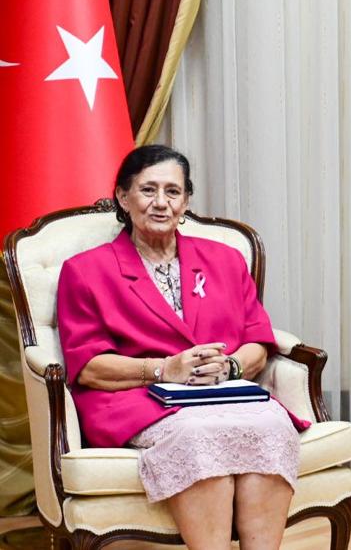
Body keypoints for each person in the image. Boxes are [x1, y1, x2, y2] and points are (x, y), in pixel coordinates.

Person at [56, 145, 309, 550]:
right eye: (148, 190)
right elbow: (87, 366)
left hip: (224, 393)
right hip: (137, 399)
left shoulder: (226, 260)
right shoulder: (85, 271)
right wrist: (163, 369)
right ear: (123, 196)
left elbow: (258, 341)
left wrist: (230, 367)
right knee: (197, 433)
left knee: (272, 426)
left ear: (186, 201)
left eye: (173, 191)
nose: (161, 202)